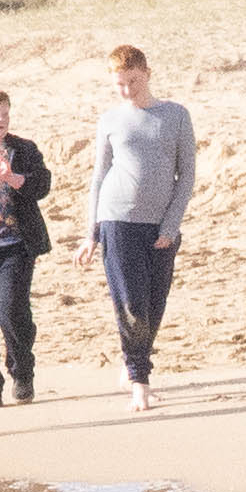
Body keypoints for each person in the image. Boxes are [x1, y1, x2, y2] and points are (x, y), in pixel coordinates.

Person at [85, 43, 194, 413]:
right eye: (120, 84)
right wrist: (91, 232)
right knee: (130, 304)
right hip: (117, 221)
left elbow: (187, 176)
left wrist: (171, 224)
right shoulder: (110, 121)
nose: (127, 90)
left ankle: (133, 364)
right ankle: (140, 382)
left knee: (154, 304)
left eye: (132, 81)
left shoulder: (175, 115)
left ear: (147, 73)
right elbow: (98, 178)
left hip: (161, 226)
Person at [0, 87, 53, 409]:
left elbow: (43, 184)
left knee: (12, 310)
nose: (1, 120)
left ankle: (22, 374)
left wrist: (15, 179)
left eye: (5, 113)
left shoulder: (24, 149)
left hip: (16, 244)